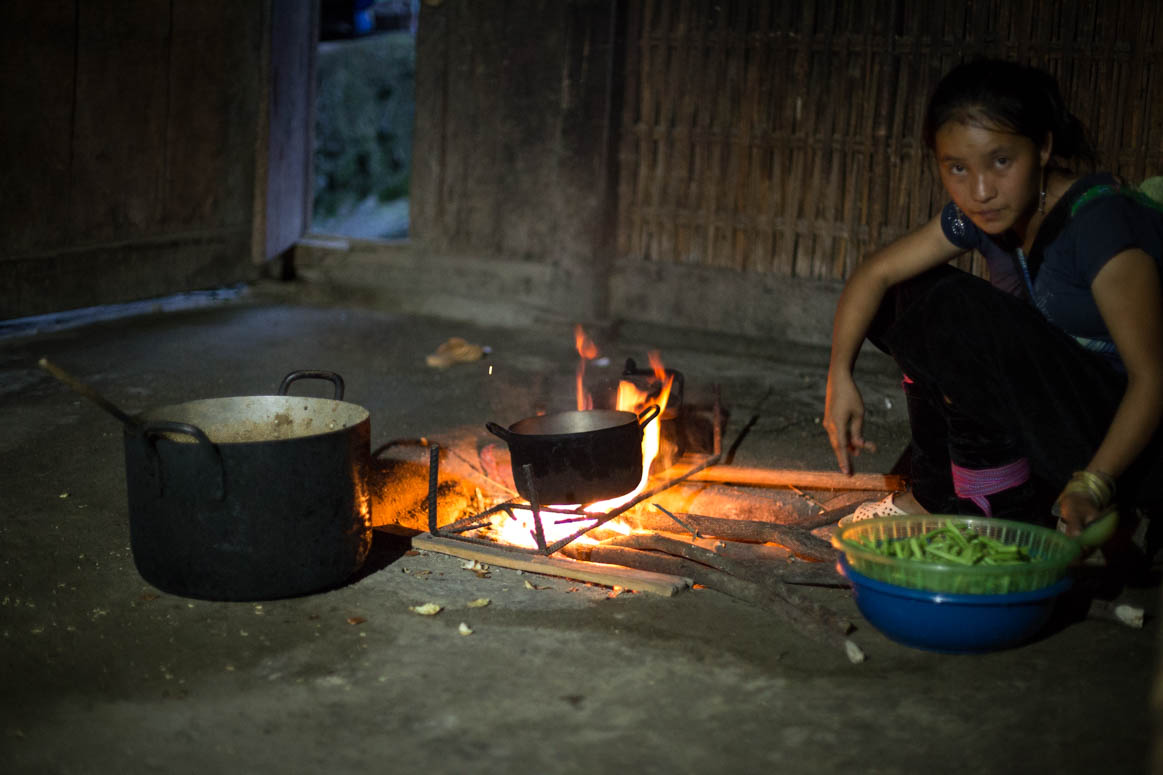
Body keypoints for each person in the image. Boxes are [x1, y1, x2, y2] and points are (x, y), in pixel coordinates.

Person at [822, 58, 1163, 548]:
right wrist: (840, 375)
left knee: (955, 311)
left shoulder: (1099, 227)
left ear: (1042, 147)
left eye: (1001, 161)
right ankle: (938, 496)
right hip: (1054, 421)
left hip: (1129, 447)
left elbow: (1152, 379)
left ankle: (1003, 512)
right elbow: (876, 273)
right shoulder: (979, 217)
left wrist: (1095, 483)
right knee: (902, 296)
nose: (980, 191)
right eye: (957, 168)